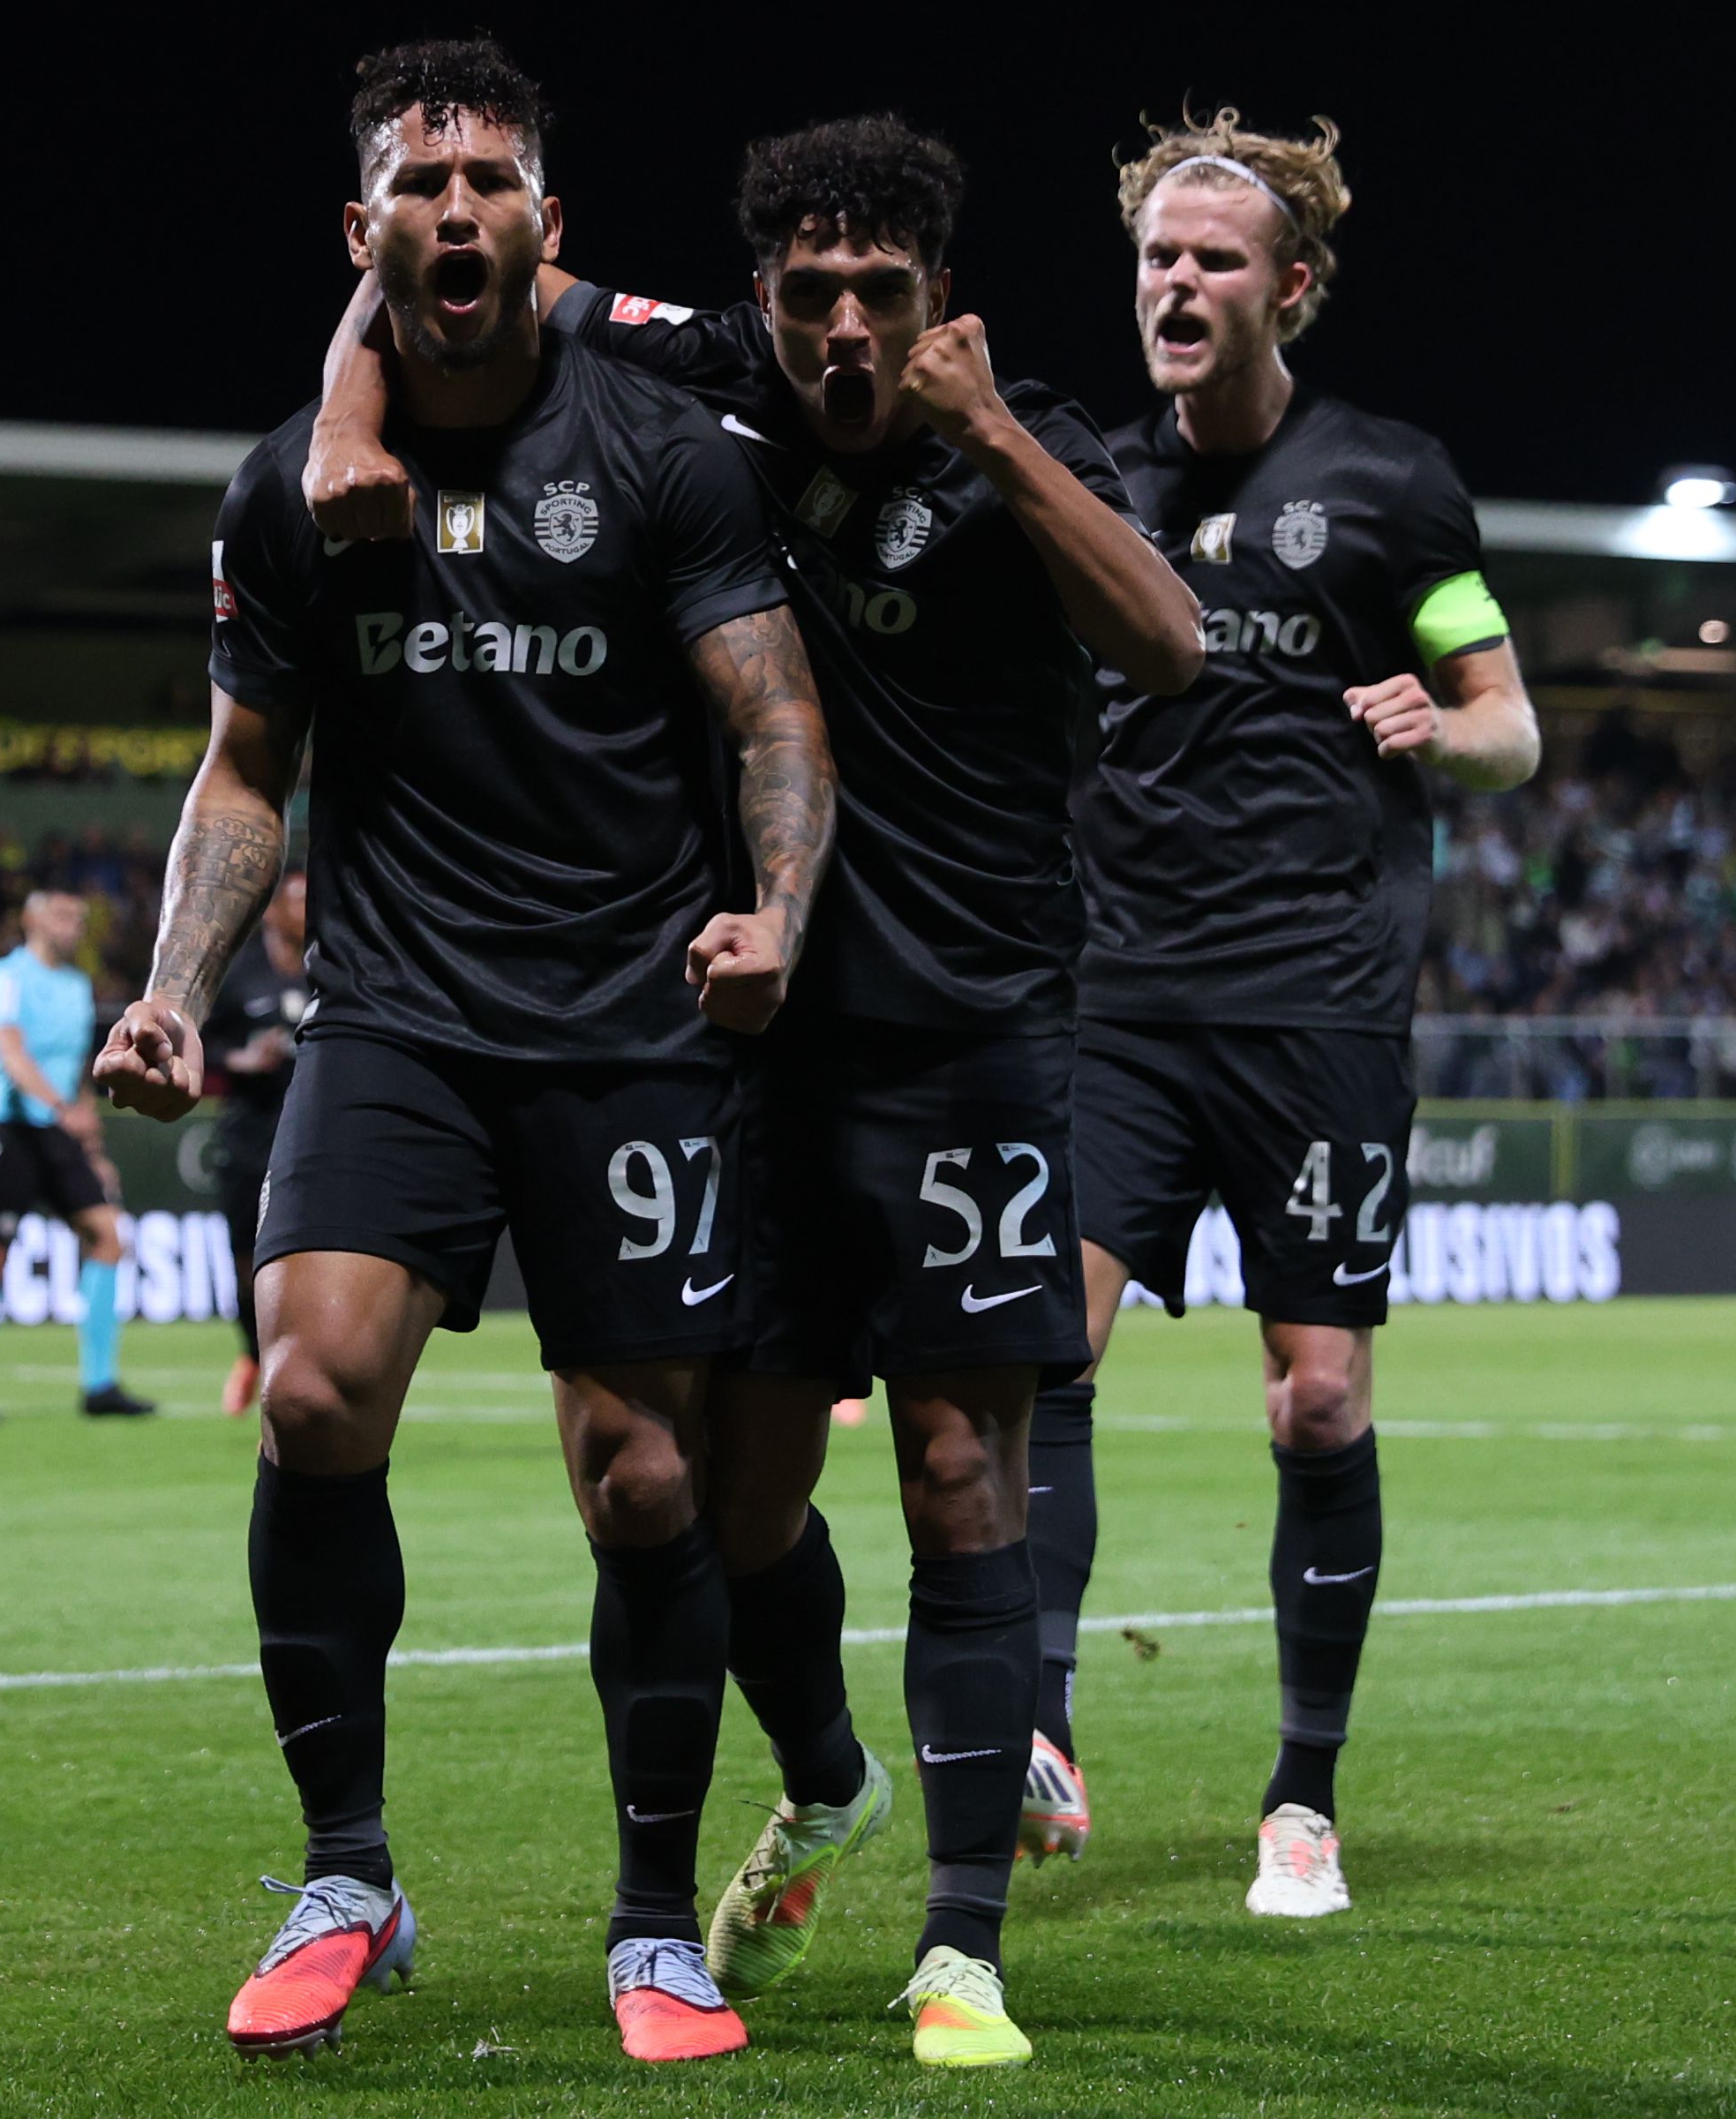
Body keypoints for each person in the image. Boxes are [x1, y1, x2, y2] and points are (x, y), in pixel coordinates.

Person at [311, 113, 1198, 2067]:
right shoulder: (698, 376)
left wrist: (990, 433)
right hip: (745, 1046)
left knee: (964, 1474)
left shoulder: (1026, 430)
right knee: (727, 1504)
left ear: (940, 305)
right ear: (765, 299)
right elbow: (442, 276)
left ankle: (960, 1944)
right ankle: (823, 1778)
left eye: (884, 297)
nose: (845, 335)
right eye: (811, 299)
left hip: (971, 1037)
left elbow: (1168, 637)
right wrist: (338, 419)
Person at [92, 39, 836, 2067]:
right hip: (401, 1017)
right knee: (315, 1394)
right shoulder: (291, 485)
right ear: (365, 234)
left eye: (488, 180)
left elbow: (774, 718)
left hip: (627, 1030)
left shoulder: (665, 451)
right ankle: (348, 1873)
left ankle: (653, 1926)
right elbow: (246, 777)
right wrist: (179, 984)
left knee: (643, 1475)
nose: (453, 211)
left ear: (543, 226)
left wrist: (776, 911)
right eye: (416, 184)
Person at [1027, 109, 1541, 1916]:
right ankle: (1041, 1722)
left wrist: (1433, 725)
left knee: (1316, 1403)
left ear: (1290, 288)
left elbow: (1510, 721)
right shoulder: (1084, 468)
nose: (1176, 283)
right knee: (1037, 1363)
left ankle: (1301, 1798)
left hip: (1318, 1005)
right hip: (1112, 1000)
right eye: (1158, 257)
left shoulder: (1395, 483)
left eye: (1214, 259)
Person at [0, 890, 157, 1424]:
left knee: (108, 1236)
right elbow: (10, 1053)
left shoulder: (75, 985)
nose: (75, 926)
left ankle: (99, 1386)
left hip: (58, 1128)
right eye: (64, 915)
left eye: (80, 918)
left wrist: (91, 1145)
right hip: (10, 1127)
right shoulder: (7, 976)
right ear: (32, 919)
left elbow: (77, 1068)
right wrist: (63, 1109)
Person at [208, 868, 311, 1416]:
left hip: (310, 1137)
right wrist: (242, 1061)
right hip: (248, 1138)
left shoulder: (331, 966)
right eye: (297, 899)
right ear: (272, 911)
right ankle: (251, 1355)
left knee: (302, 1265)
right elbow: (199, 1044)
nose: (307, 909)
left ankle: (287, 1379)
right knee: (248, 1268)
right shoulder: (240, 973)